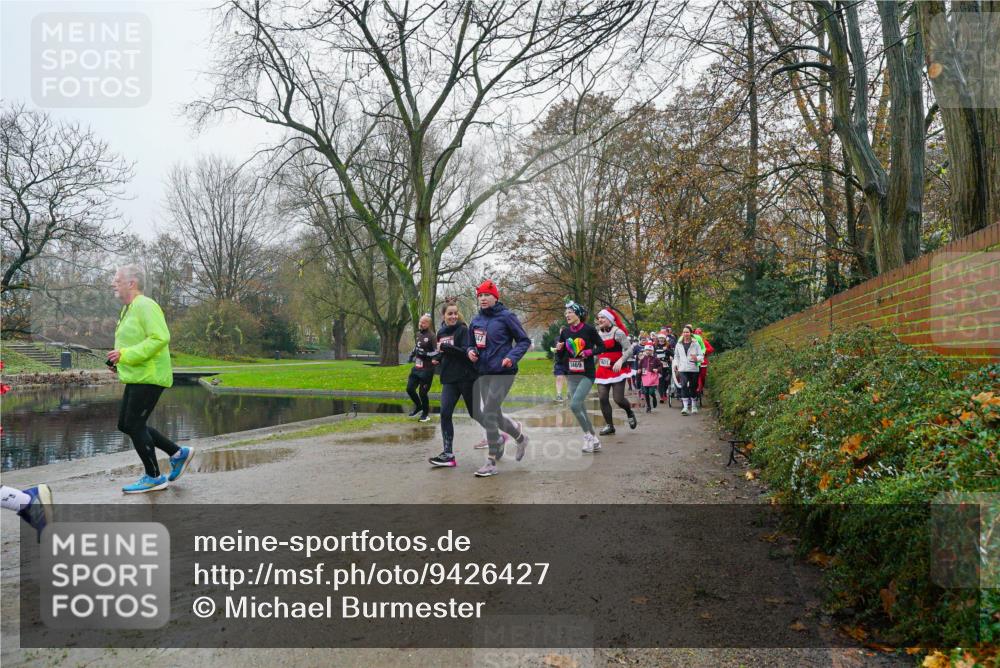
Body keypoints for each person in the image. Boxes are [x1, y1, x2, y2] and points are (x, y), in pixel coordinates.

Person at [110, 265, 193, 494]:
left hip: (151, 375)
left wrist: (125, 354)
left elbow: (160, 337)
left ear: (131, 283)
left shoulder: (146, 305)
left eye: (117, 280)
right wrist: (119, 359)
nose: (113, 284)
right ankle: (178, 454)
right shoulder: (129, 308)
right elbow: (134, 341)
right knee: (126, 424)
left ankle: (154, 476)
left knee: (134, 424)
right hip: (139, 374)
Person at [466, 280, 531, 477]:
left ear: (495, 297)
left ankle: (491, 461)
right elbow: (470, 344)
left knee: (490, 412)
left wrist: (511, 357)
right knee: (495, 415)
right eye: (480, 296)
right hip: (483, 372)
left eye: (487, 295)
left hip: (503, 372)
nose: (483, 299)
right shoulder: (476, 320)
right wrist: (470, 351)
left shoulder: (507, 317)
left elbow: (524, 341)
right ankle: (521, 438)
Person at [428, 299, 478, 468]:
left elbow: (465, 352)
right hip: (449, 379)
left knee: (475, 413)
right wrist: (437, 358)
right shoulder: (441, 332)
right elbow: (444, 353)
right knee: (445, 413)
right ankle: (448, 454)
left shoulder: (463, 330)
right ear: (443, 315)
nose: (453, 316)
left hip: (466, 377)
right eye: (450, 313)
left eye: (455, 313)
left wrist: (446, 349)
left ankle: (497, 436)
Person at [556, 301, 603, 453]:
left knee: (575, 405)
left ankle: (587, 436)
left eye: (570, 312)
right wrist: (559, 349)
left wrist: (588, 353)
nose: (567, 315)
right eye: (566, 313)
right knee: (580, 406)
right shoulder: (565, 333)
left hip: (587, 374)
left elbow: (602, 346)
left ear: (578, 314)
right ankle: (594, 439)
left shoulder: (589, 330)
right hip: (572, 374)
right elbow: (562, 355)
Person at [594, 308, 637, 436]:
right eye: (598, 318)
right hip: (602, 369)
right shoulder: (597, 334)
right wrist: (590, 363)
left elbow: (629, 349)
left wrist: (620, 360)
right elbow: (596, 352)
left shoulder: (618, 332)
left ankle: (629, 412)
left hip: (617, 369)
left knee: (618, 399)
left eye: (603, 317)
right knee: (602, 398)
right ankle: (610, 426)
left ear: (610, 319)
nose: (600, 320)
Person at [406, 313, 437, 422]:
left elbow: (436, 352)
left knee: (423, 393)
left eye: (423, 322)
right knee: (409, 389)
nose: (421, 324)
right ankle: (418, 406)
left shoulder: (432, 336)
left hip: (427, 369)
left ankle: (425, 414)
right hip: (417, 368)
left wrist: (425, 354)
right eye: (420, 322)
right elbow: (417, 346)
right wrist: (411, 355)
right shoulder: (418, 334)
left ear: (428, 324)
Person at [671, 325, 704, 416]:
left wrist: (696, 358)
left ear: (691, 333)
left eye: (687, 332)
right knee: (684, 385)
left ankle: (693, 406)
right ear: (682, 333)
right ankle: (685, 407)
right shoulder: (679, 344)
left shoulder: (695, 343)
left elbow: (701, 356)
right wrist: (675, 365)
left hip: (693, 368)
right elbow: (676, 356)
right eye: (684, 332)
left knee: (693, 387)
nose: (686, 334)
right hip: (683, 369)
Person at [637, 344, 663, 413]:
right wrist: (639, 370)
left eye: (650, 350)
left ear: (652, 351)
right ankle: (648, 406)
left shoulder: (656, 359)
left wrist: (657, 369)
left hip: (653, 377)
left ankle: (654, 398)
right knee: (646, 392)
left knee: (651, 392)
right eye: (647, 350)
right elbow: (639, 367)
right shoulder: (642, 359)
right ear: (645, 351)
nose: (648, 351)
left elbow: (660, 366)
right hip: (645, 377)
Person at [694, 327, 715, 400]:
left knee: (702, 376)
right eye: (696, 333)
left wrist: (704, 351)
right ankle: (697, 389)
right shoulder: (692, 342)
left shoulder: (704, 342)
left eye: (699, 333)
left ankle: (701, 387)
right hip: (694, 362)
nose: (698, 334)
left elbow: (711, 349)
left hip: (703, 362)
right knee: (696, 376)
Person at [552, 325, 568, 402]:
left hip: (569, 362)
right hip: (559, 362)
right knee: (559, 377)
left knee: (569, 379)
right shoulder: (557, 339)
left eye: (563, 332)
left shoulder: (570, 339)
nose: (562, 333)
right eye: (561, 331)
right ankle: (559, 395)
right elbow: (556, 348)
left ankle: (569, 393)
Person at [653, 333, 671, 401]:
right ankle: (661, 396)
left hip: (666, 365)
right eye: (660, 338)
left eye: (662, 338)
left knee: (666, 381)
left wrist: (667, 350)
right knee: (660, 381)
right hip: (658, 366)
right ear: (658, 339)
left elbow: (673, 353)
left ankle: (665, 393)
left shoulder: (668, 345)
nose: (661, 339)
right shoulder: (655, 345)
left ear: (665, 339)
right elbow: (653, 354)